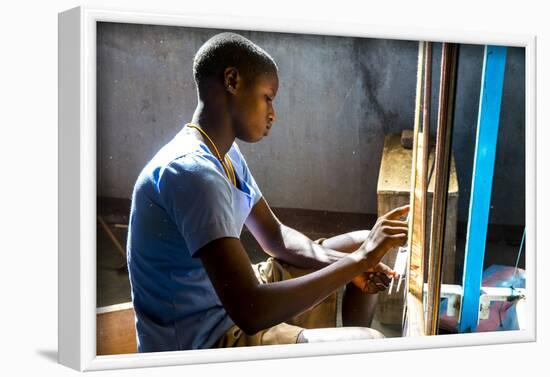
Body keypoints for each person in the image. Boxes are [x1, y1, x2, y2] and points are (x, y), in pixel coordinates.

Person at [127, 32, 409, 353]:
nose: (272, 113)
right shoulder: (192, 172)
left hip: (229, 299)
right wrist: (357, 262)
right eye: (268, 97)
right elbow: (250, 311)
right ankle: (342, 349)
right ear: (232, 80)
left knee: (360, 240)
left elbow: (275, 236)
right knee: (371, 344)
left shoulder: (224, 155)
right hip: (205, 337)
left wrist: (356, 261)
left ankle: (333, 347)